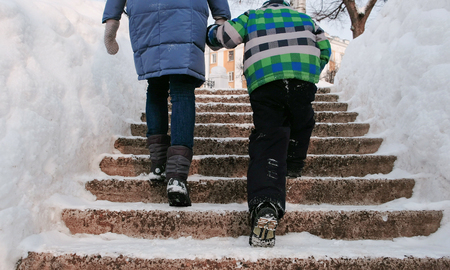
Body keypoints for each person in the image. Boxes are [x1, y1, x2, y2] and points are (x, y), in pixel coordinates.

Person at [206, 0, 331, 247]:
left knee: (269, 137)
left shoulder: (253, 16)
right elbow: (325, 49)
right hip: (302, 79)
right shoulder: (307, 20)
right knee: (303, 120)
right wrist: (311, 71)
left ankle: (266, 203)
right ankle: (294, 161)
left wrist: (210, 33)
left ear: (266, 5)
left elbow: (223, 36)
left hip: (265, 82)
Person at [102, 0, 231, 207]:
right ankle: (177, 176)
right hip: (185, 14)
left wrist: (112, 21)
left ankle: (158, 164)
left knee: (156, 85)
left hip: (147, 13)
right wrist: (221, 18)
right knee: (181, 88)